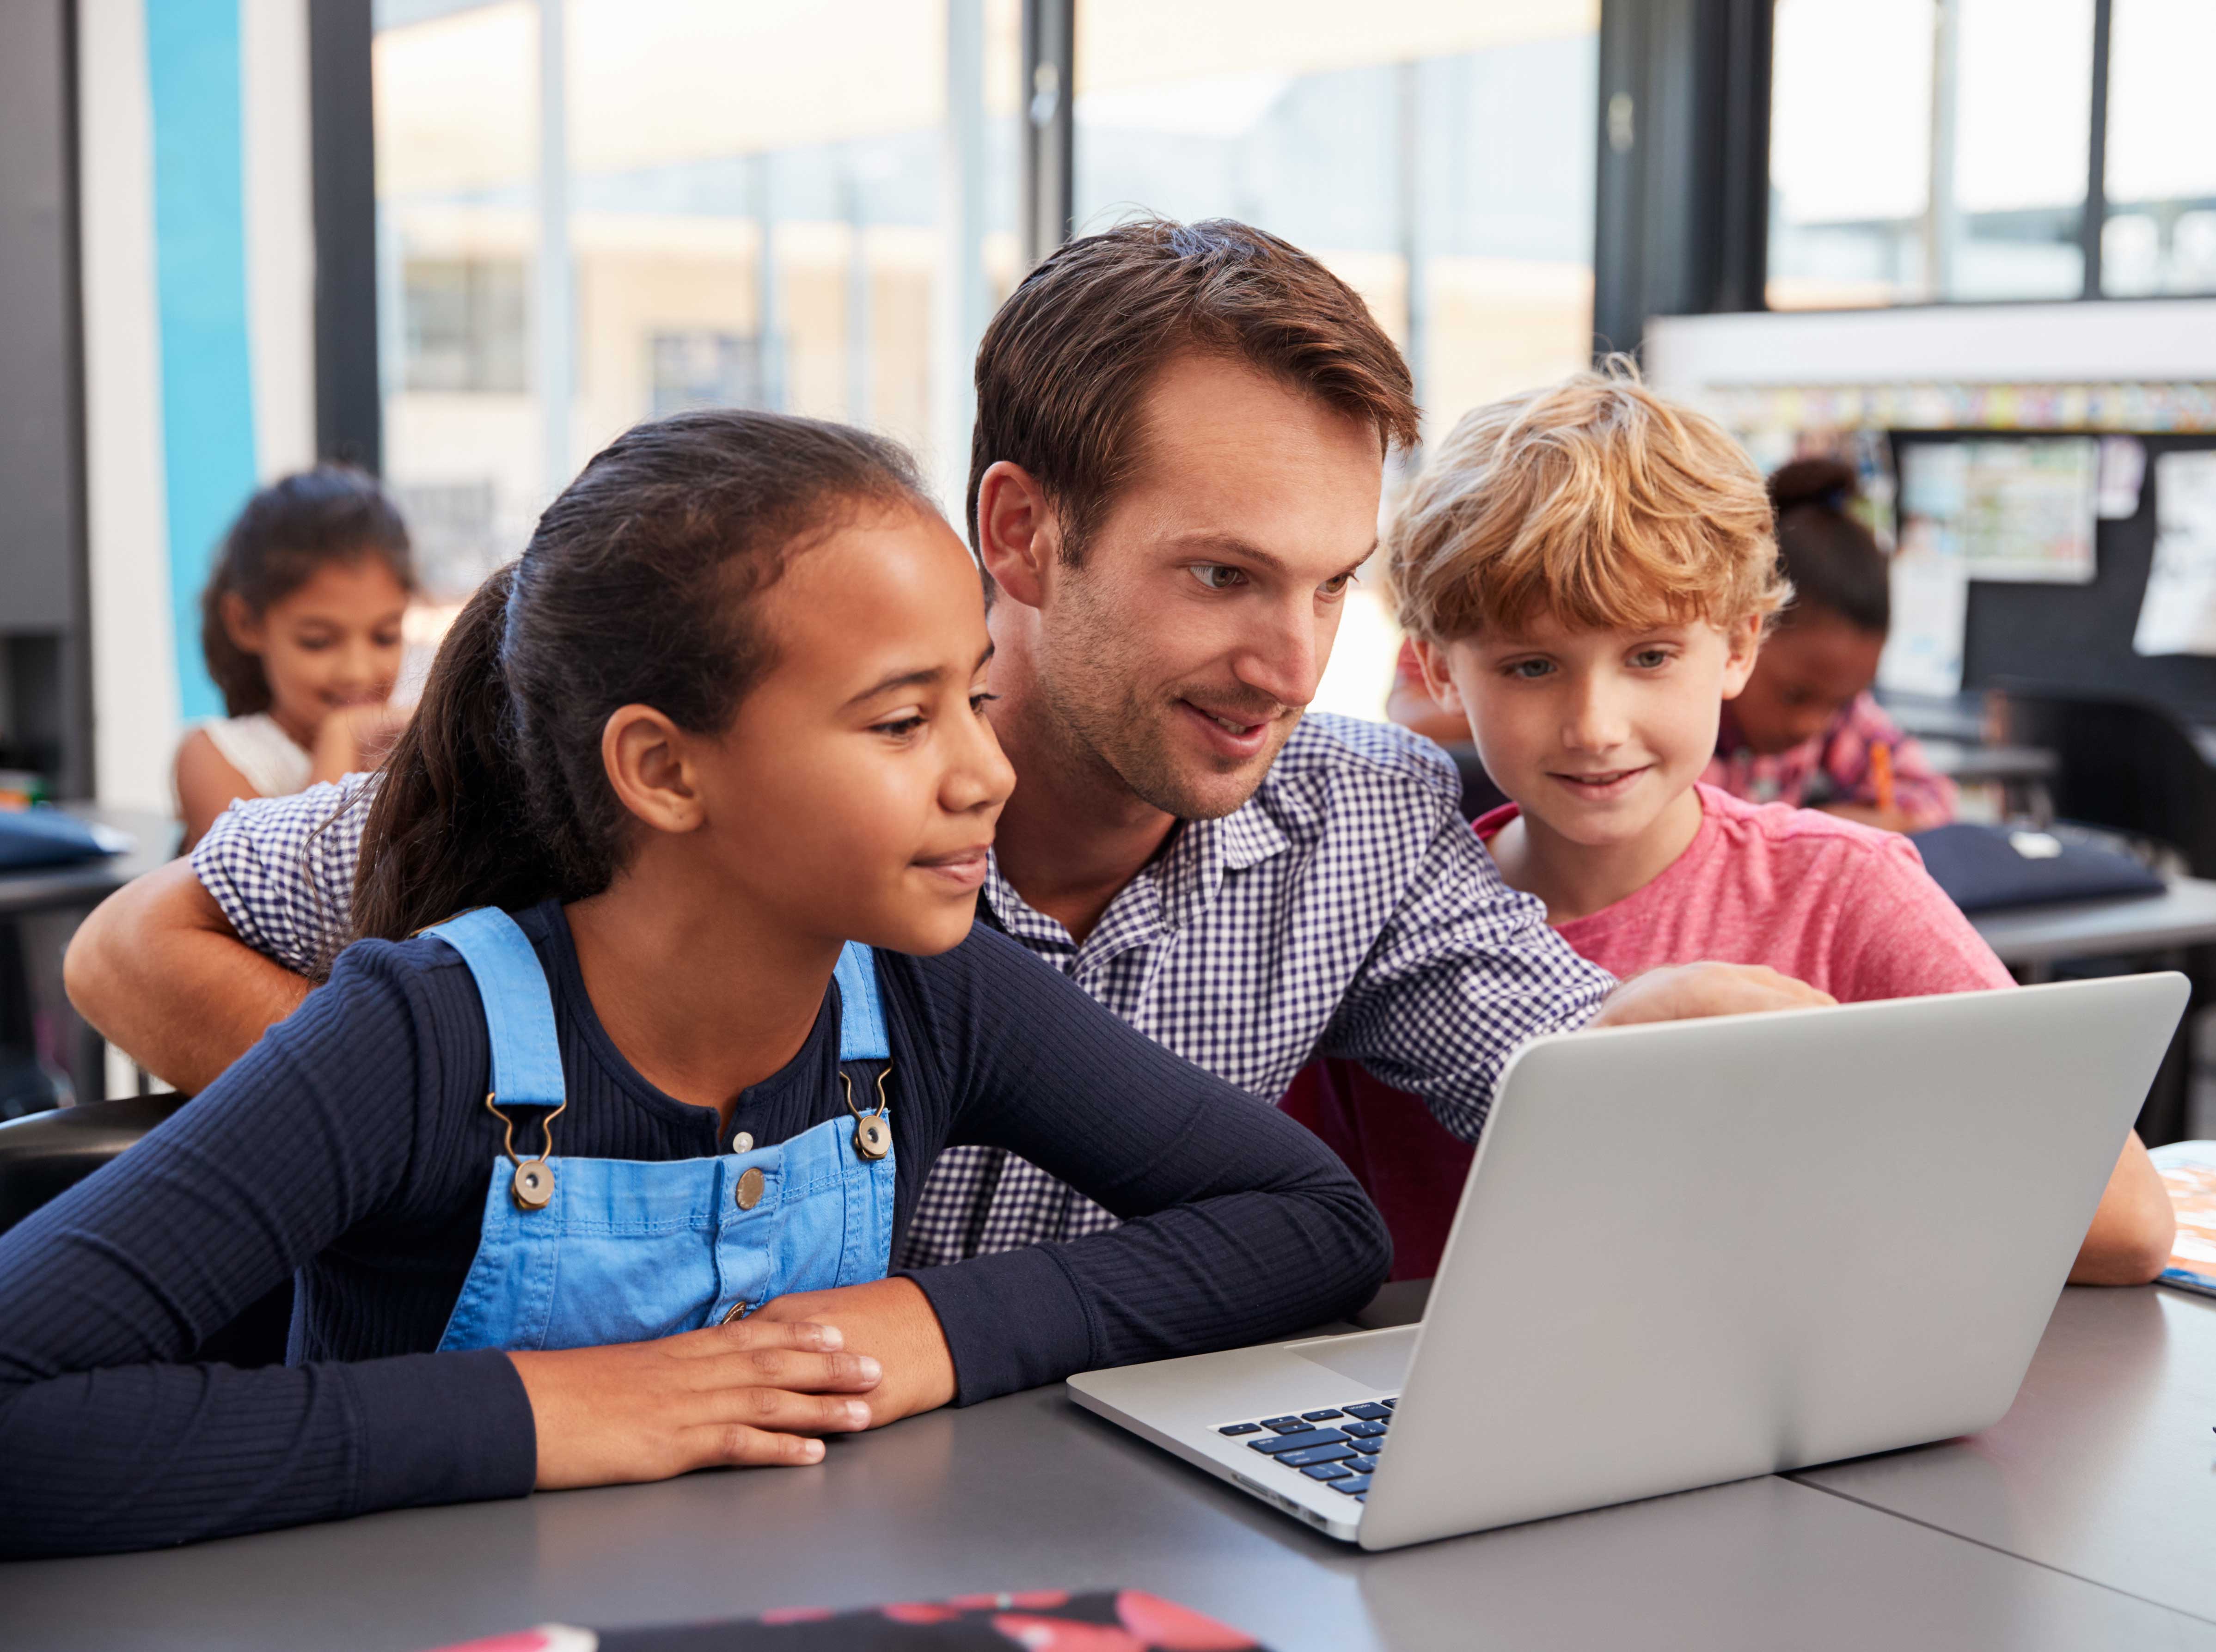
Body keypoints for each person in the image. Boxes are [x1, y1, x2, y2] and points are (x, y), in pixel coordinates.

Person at [66, 219, 1827, 1273]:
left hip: (1020, 1494)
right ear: (1023, 531)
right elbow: (136, 944)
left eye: (1329, 585)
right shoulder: (763, 768)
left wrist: (1709, 1036)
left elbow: (1550, 1049)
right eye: (1220, 574)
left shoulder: (1362, 820)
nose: (1290, 661)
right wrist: (456, 1165)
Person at [0, 410, 1389, 1558]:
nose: (986, 773)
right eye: (902, 721)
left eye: (969, 699)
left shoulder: (933, 993)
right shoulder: (417, 1040)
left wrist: (926, 1327)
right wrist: (554, 1411)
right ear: (664, 770)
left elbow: (1311, 1222)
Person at [1285, 366, 2173, 1285]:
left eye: (1651, 655)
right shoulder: (1378, 913)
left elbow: (2127, 1225)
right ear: (1436, 671)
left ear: (1740, 645)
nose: (1595, 724)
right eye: (1531, 667)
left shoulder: (1843, 889)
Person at [1705, 457, 1956, 833]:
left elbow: (1933, 796)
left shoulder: (1836, 717)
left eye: (1838, 703)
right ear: (1738, 636)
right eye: (1794, 696)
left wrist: (1835, 828)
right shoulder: (1684, 730)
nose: (1812, 725)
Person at [175, 467, 416, 849]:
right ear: (246, 623)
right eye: (318, 642)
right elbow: (302, 895)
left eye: (384, 637)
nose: (358, 671)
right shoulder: (214, 757)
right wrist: (341, 739)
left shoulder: (409, 744)